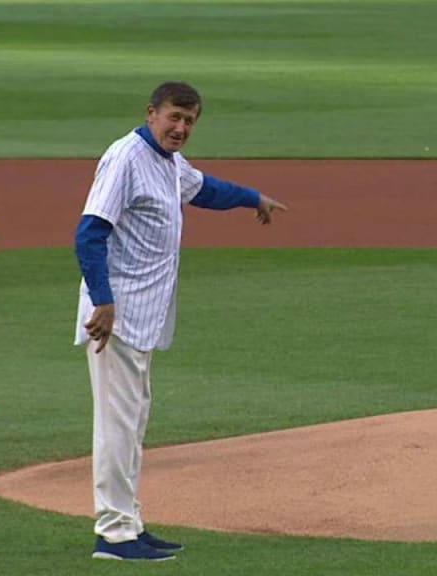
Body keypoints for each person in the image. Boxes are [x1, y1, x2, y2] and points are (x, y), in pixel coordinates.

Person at [74, 81, 288, 561]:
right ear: (152, 113)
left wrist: (253, 197)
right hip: (116, 317)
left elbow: (205, 189)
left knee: (132, 422)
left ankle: (129, 522)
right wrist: (103, 303)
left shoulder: (167, 164)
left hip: (140, 315)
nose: (181, 128)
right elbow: (90, 232)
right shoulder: (126, 158)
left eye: (189, 121)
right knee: (117, 424)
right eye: (173, 117)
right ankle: (113, 533)